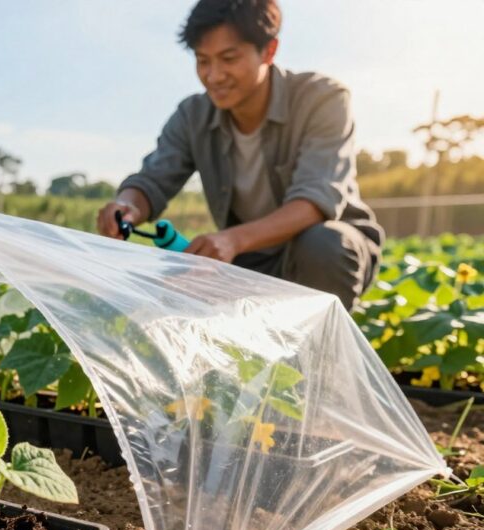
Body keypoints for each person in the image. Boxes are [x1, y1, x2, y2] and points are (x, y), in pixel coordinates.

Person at [96, 0, 383, 310]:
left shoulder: (322, 98)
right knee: (175, 283)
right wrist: (126, 206)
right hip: (249, 259)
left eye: (228, 58)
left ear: (270, 51)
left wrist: (233, 240)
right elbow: (152, 179)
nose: (214, 75)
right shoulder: (193, 115)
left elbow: (316, 200)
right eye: (202, 61)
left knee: (324, 243)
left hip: (322, 253)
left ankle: (326, 353)